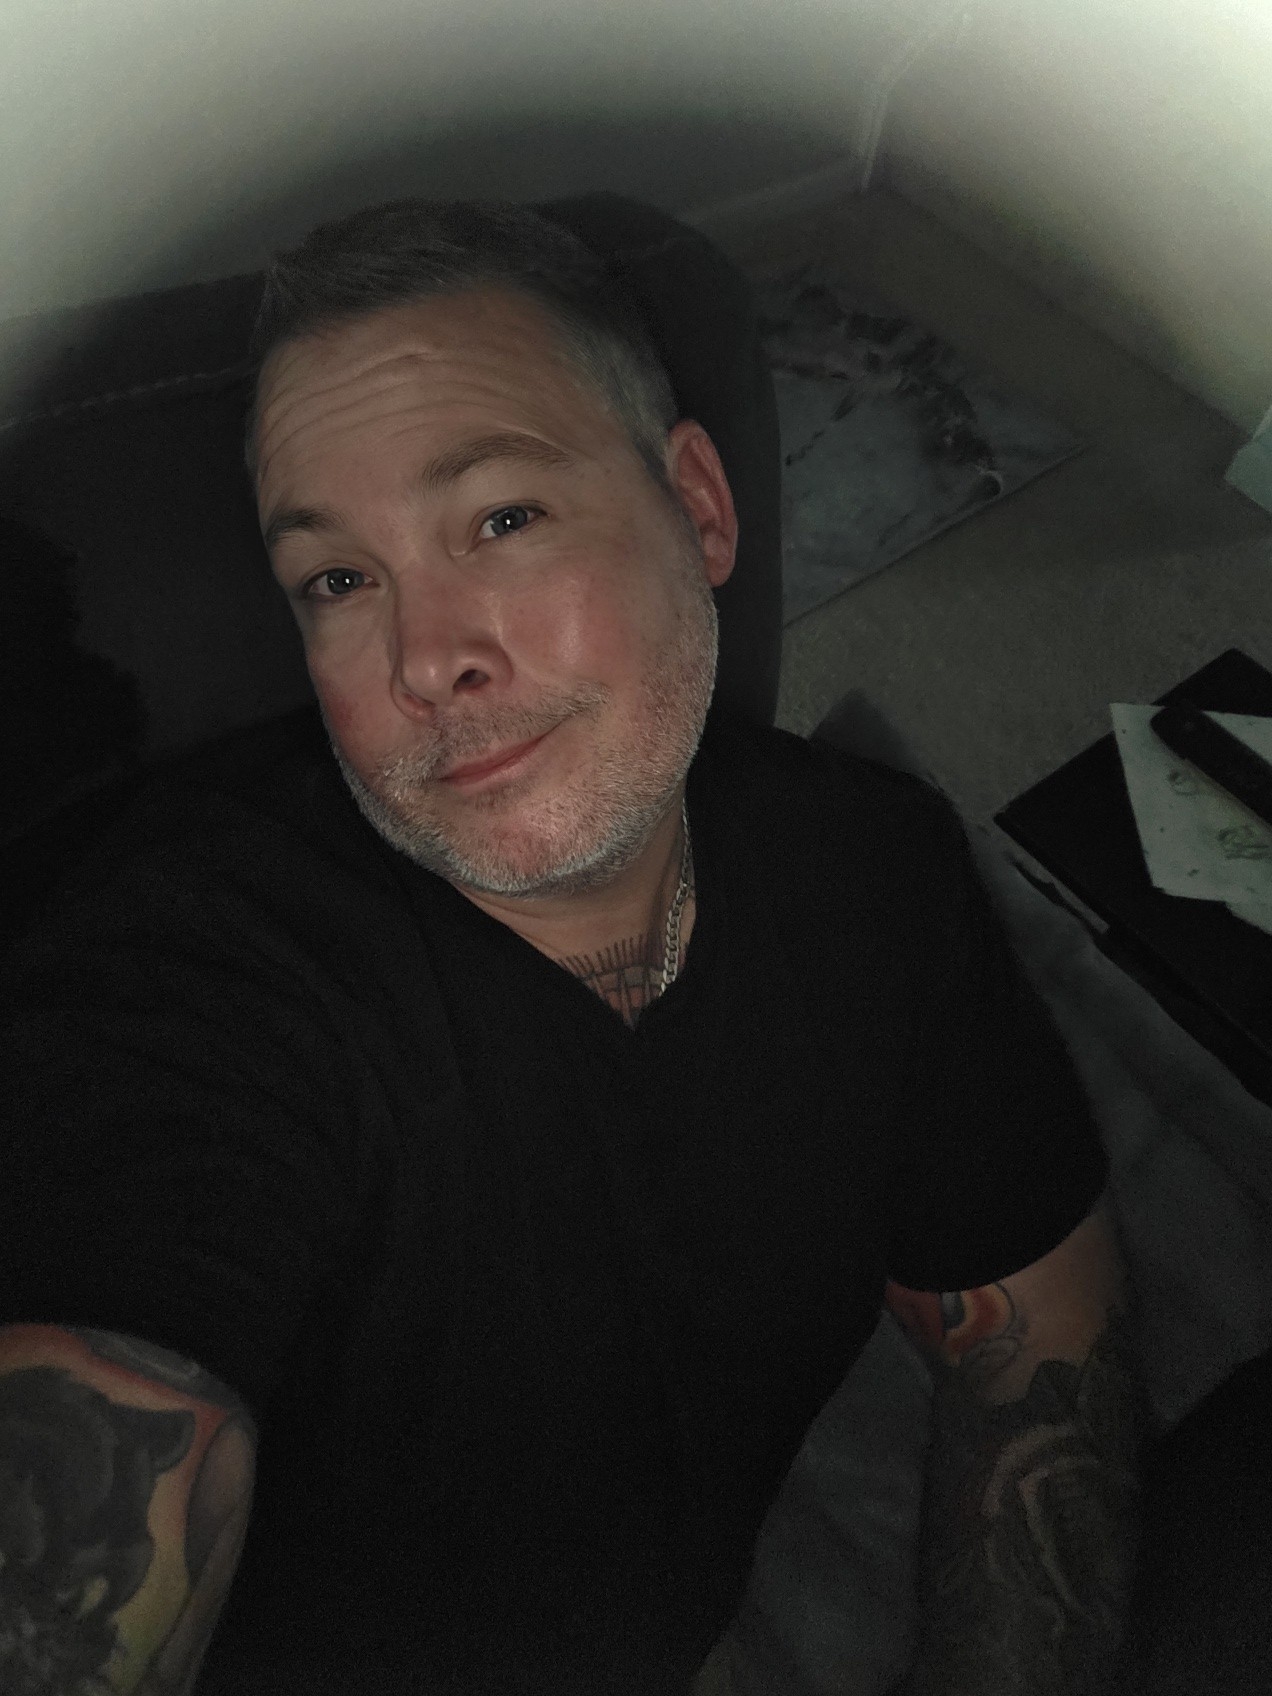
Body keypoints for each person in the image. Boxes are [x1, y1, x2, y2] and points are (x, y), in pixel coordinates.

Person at [0, 198, 1139, 1696]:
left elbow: (1042, 1345)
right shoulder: (194, 980)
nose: (427, 658)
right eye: (339, 580)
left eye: (503, 519)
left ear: (701, 509)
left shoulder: (874, 869)